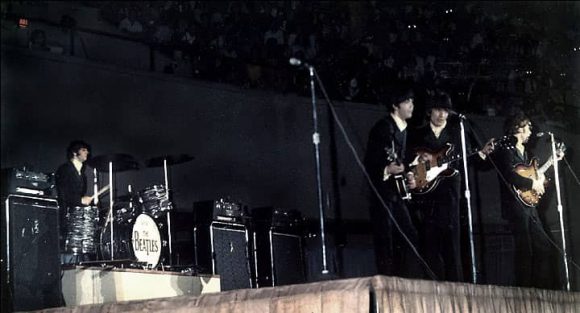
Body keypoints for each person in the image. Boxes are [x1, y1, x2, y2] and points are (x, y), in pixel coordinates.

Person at [407, 91, 493, 282]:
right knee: (429, 247)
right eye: (438, 110)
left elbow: (471, 162)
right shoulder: (417, 133)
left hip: (450, 198)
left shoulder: (457, 135)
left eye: (446, 111)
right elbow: (407, 162)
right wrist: (416, 163)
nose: (442, 115)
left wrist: (481, 154)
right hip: (425, 197)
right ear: (430, 111)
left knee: (453, 248)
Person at [493, 112, 563, 289]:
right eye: (528, 127)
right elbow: (511, 176)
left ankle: (538, 287)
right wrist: (532, 181)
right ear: (518, 128)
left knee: (544, 246)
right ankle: (524, 290)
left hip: (529, 205)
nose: (531, 131)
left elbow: (534, 177)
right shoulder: (507, 150)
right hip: (515, 205)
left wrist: (551, 162)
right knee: (524, 248)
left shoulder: (526, 153)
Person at [364, 80, 420, 278]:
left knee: (409, 235)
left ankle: (404, 280)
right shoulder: (382, 128)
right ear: (396, 105)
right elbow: (370, 162)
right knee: (385, 238)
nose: (412, 105)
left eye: (412, 100)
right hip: (382, 194)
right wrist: (387, 168)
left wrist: (410, 175)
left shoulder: (407, 130)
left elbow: (408, 162)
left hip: (398, 193)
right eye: (407, 101)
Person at [55, 140, 96, 264]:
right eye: (83, 150)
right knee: (68, 252)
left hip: (76, 217)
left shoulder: (82, 174)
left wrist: (84, 200)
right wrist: (80, 200)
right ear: (74, 153)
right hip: (65, 216)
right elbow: (63, 194)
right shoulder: (65, 169)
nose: (87, 152)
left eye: (87, 150)